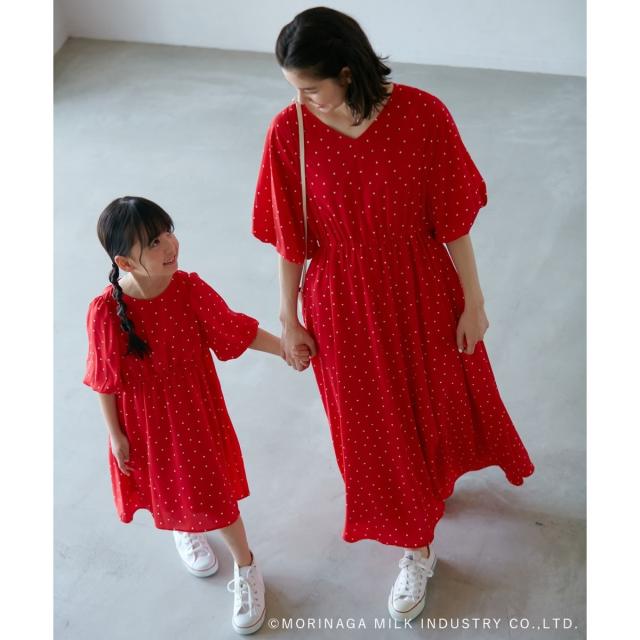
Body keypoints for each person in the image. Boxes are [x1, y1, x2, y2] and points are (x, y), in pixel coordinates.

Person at [251, 6, 536, 622]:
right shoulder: (288, 132)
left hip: (420, 286)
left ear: (346, 73)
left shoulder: (423, 115)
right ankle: (416, 546)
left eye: (311, 88)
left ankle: (427, 492)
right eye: (293, 89)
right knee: (370, 426)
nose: (301, 101)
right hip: (340, 300)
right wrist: (288, 317)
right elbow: (290, 238)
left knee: (434, 398)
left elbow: (452, 219)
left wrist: (474, 301)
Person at [82, 196, 309, 635]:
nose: (170, 245)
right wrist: (116, 435)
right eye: (154, 242)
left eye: (168, 232)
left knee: (213, 492)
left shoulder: (187, 290)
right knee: (169, 483)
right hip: (146, 425)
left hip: (194, 416)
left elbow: (234, 329)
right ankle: (185, 526)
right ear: (125, 262)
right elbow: (105, 381)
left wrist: (284, 348)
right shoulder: (106, 313)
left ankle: (247, 565)